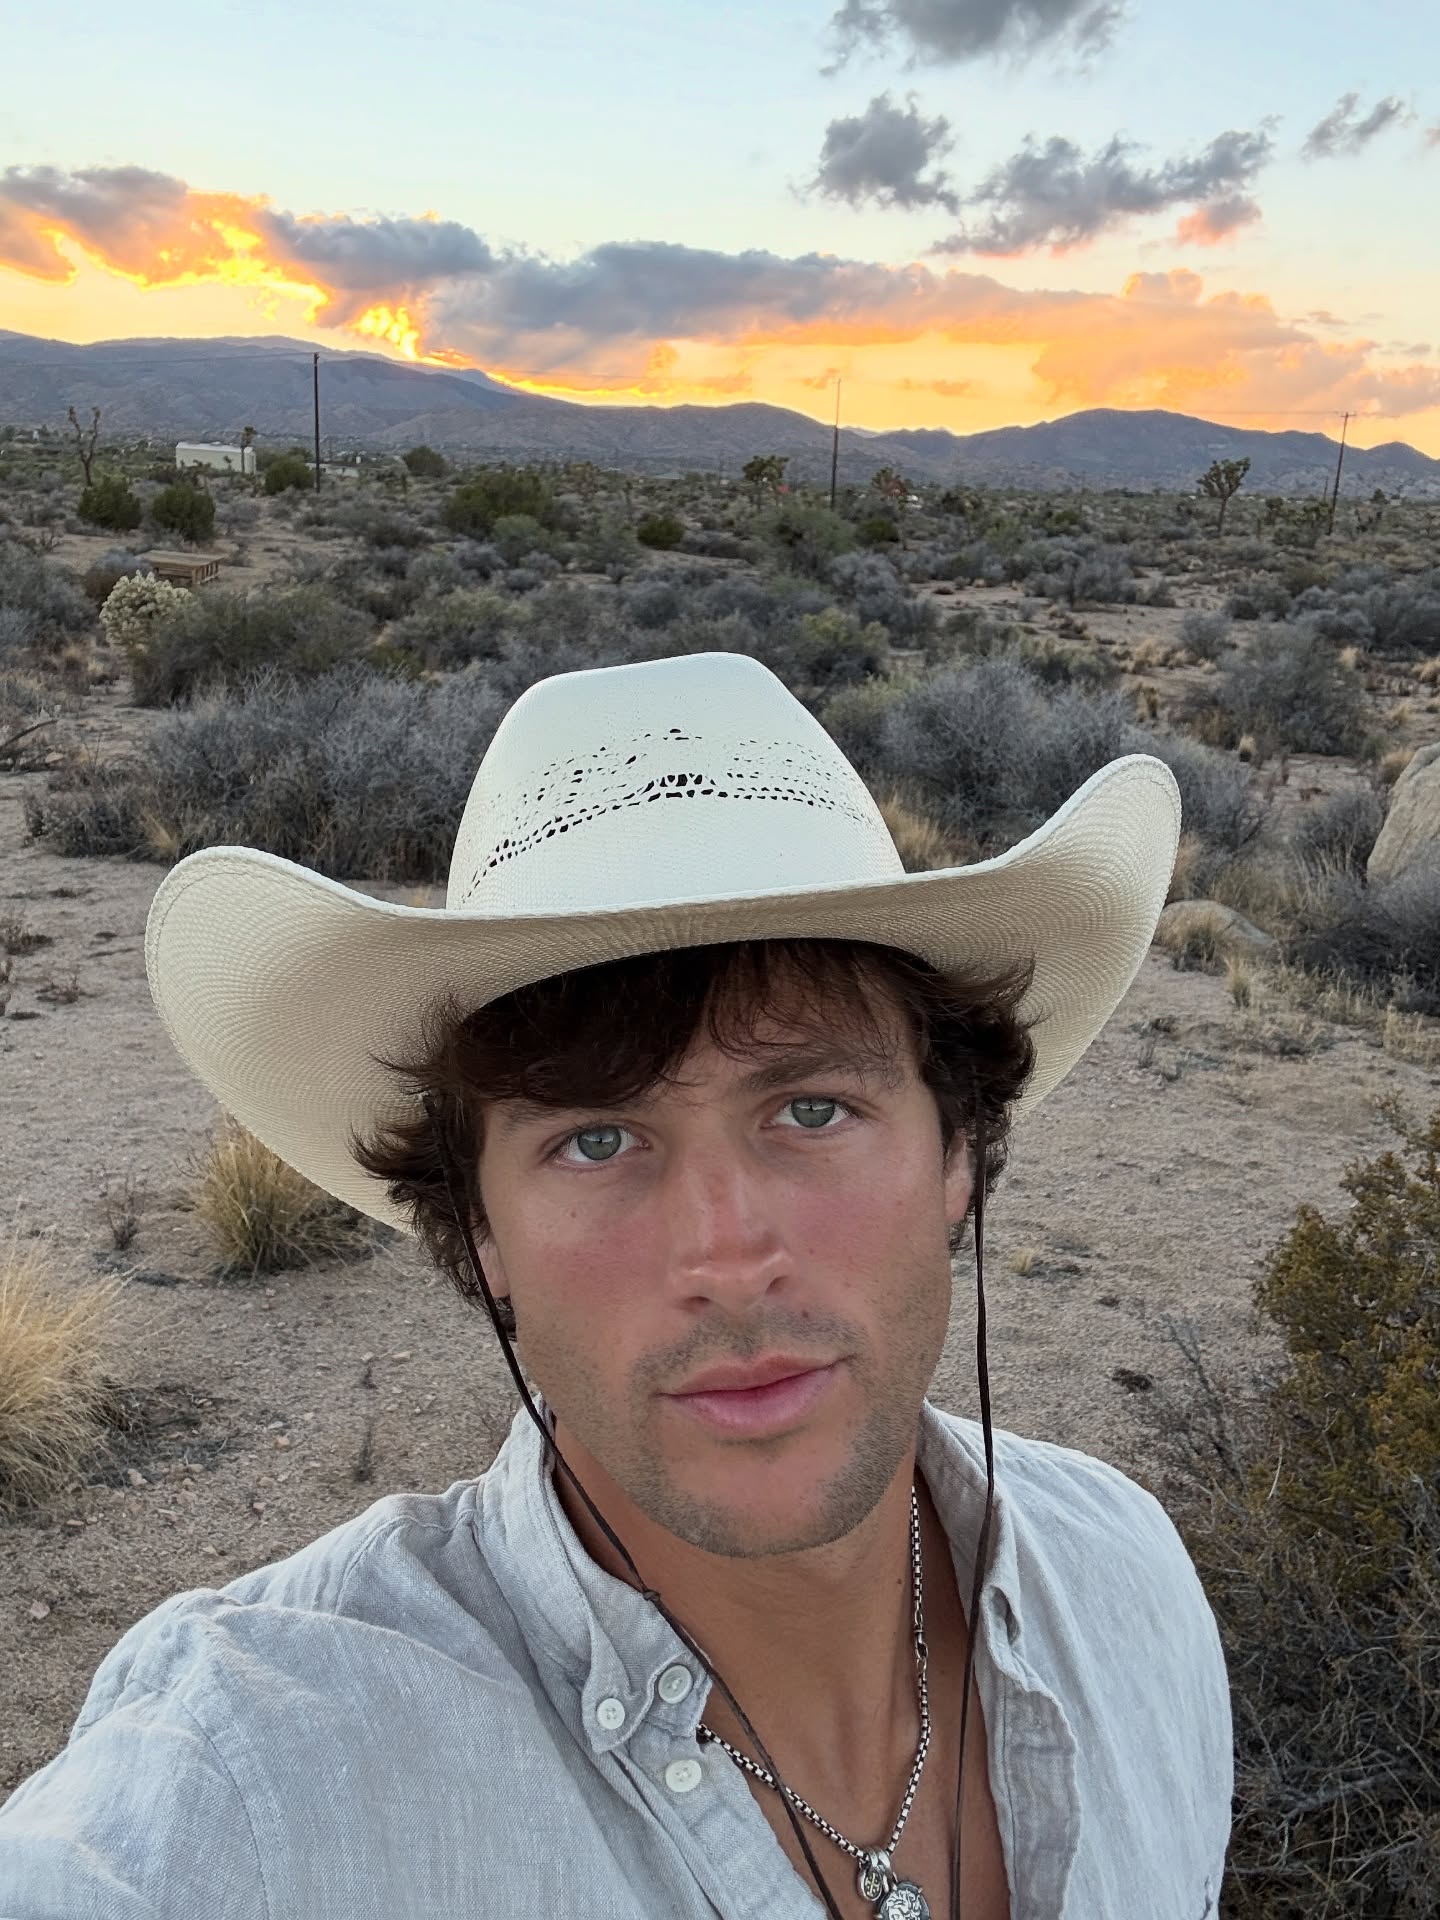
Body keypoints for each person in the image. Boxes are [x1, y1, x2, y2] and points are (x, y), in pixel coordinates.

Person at [0, 651, 1232, 1919]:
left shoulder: (1125, 1581)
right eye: (596, 1139)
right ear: (480, 1228)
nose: (727, 1259)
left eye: (813, 1109)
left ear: (956, 1150)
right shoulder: (256, 1783)